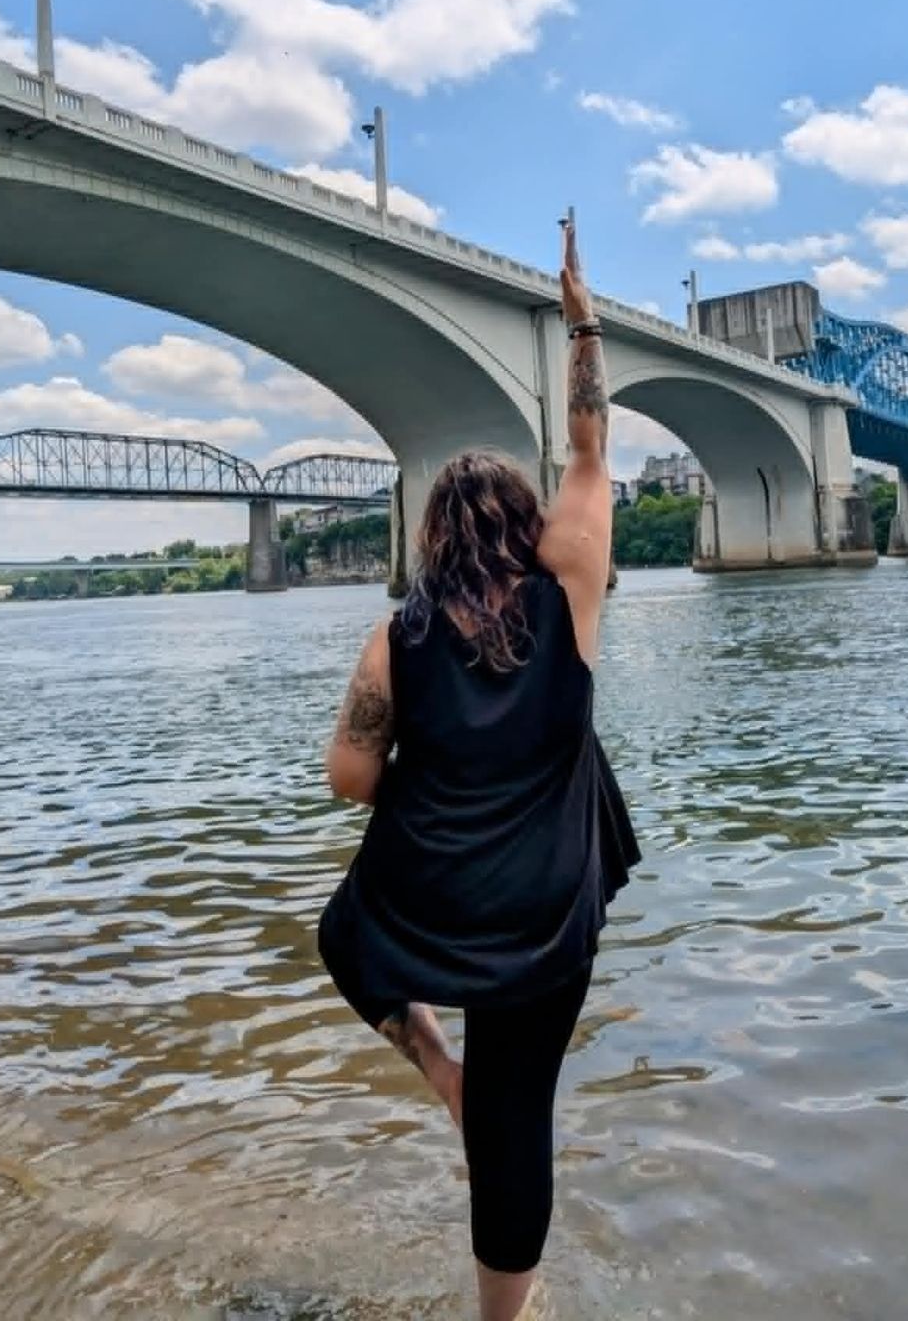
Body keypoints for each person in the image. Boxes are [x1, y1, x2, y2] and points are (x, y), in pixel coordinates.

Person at [318, 220, 640, 1321]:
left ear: (432, 540)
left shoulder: (392, 641)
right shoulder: (573, 593)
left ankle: (436, 1065)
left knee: (342, 934)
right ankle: (508, 1316)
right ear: (523, 525)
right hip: (550, 907)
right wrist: (581, 320)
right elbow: (592, 450)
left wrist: (432, 759)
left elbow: (349, 781)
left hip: (441, 895)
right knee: (521, 1115)